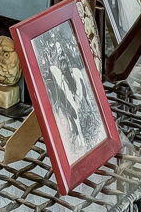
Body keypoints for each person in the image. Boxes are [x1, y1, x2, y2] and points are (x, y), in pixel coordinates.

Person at [37, 28, 106, 158]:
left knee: (71, 83)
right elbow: (50, 68)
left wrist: (63, 67)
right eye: (53, 45)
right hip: (58, 75)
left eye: (57, 46)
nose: (55, 47)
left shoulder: (59, 49)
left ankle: (84, 109)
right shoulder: (49, 53)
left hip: (66, 72)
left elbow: (64, 61)